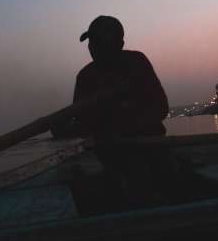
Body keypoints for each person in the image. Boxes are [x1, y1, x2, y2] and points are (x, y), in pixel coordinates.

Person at [54, 15, 170, 206]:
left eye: (99, 41)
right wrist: (64, 129)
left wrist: (122, 127)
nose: (92, 46)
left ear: (119, 43)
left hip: (149, 146)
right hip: (109, 154)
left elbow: (161, 108)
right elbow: (83, 123)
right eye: (91, 41)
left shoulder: (137, 62)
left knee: (140, 173)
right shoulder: (85, 76)